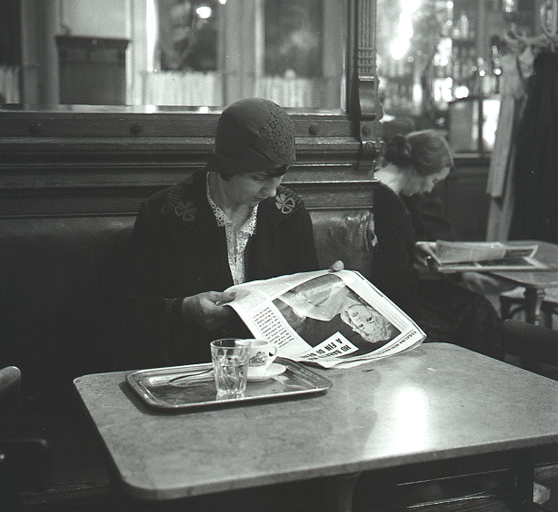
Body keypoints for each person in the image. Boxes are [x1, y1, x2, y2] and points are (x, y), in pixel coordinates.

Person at [128, 98, 319, 366]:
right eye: (259, 178)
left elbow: (306, 303)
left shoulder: (289, 212)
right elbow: (131, 309)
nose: (272, 192)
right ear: (224, 167)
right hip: (193, 369)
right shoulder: (163, 213)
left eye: (280, 176)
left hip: (274, 369)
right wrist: (183, 309)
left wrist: (329, 287)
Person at [371, 130, 503, 358]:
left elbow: (388, 250)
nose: (429, 189)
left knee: (474, 305)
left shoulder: (382, 190)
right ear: (419, 169)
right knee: (476, 309)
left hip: (394, 291)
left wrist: (414, 249)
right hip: (393, 302)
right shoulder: (388, 201)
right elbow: (393, 276)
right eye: (433, 181)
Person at [274, 273, 397, 355]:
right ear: (372, 309)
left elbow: (283, 295)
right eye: (369, 319)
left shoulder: (326, 314)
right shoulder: (351, 284)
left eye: (361, 326)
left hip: (276, 284)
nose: (360, 320)